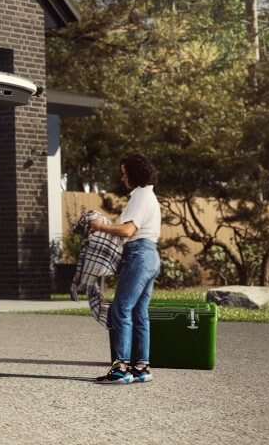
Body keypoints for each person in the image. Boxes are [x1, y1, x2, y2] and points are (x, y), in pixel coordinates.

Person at [90, 153, 161, 385]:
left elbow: (129, 230)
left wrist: (100, 226)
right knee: (140, 313)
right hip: (151, 256)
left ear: (134, 174)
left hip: (139, 255)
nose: (123, 179)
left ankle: (121, 368)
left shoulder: (140, 196)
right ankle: (141, 367)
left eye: (124, 174)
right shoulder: (149, 196)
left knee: (121, 308)